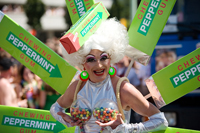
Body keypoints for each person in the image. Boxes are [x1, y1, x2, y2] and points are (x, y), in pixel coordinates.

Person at [50, 18, 168, 133]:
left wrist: (126, 128)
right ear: (83, 63)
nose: (99, 65)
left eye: (104, 57)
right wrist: (67, 120)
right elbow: (55, 109)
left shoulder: (123, 89)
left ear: (111, 59)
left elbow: (161, 121)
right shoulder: (77, 87)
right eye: (91, 59)